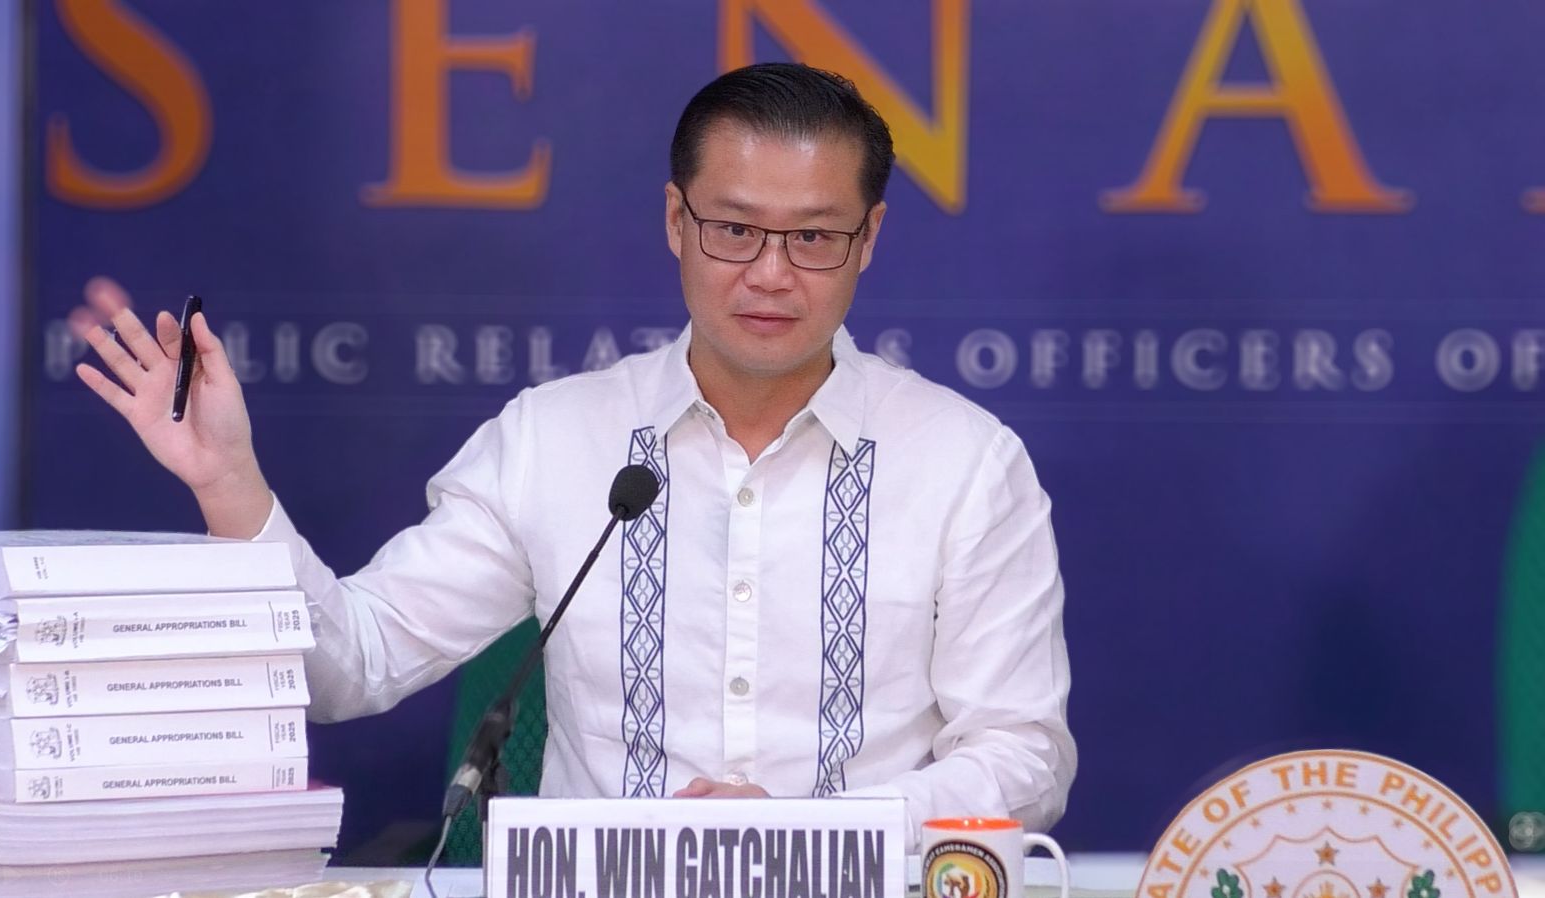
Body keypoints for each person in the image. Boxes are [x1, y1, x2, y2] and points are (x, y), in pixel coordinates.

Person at [75, 63, 1075, 843]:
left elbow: (1024, 755)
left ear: (870, 238)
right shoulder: (554, 442)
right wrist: (230, 481)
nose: (771, 274)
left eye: (813, 238)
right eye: (734, 228)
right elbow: (350, 667)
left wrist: (814, 833)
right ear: (675, 221)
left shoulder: (964, 464)